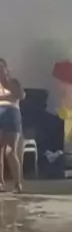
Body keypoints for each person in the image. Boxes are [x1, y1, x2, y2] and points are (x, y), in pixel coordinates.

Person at [0, 58, 25, 193]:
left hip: (11, 114)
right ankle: (0, 183)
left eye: (1, 67)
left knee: (10, 151)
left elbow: (20, 95)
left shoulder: (13, 82)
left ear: (5, 69)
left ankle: (17, 183)